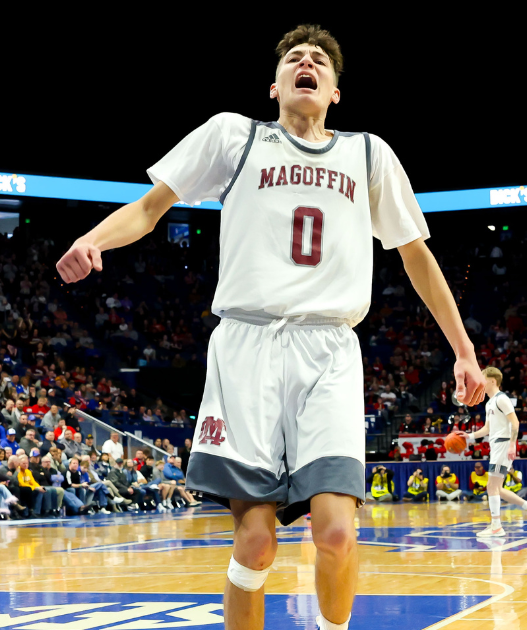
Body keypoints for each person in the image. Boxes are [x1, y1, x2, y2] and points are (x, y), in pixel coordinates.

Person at [54, 25, 484, 630]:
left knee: (336, 532)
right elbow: (151, 209)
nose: (306, 64)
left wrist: (463, 351)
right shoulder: (235, 136)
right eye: (294, 59)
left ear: (335, 91)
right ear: (275, 85)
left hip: (329, 348)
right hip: (247, 346)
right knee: (255, 542)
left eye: (320, 62)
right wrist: (92, 240)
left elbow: (416, 256)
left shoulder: (369, 154)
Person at [457, 367, 527, 537]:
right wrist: (469, 436)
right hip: (495, 445)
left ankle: (496, 526)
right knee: (497, 489)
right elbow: (487, 428)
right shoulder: (489, 402)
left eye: (483, 378)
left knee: (492, 486)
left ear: (492, 381)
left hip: (503, 444)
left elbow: (515, 423)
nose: (480, 382)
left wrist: (512, 444)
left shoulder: (502, 399)